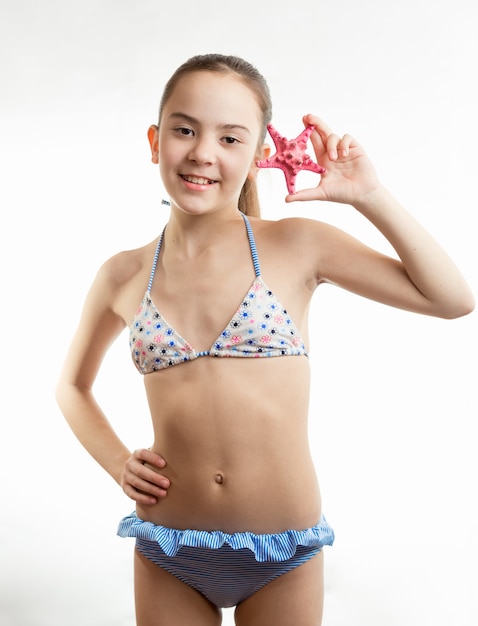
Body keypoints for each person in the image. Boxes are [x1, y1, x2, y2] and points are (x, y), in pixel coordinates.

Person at [56, 53, 474, 626]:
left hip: (285, 550)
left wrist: (369, 196)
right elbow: (72, 386)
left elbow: (451, 299)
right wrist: (116, 463)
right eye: (184, 129)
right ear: (156, 141)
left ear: (258, 157)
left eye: (230, 138)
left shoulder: (297, 246)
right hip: (168, 546)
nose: (203, 152)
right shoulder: (123, 275)